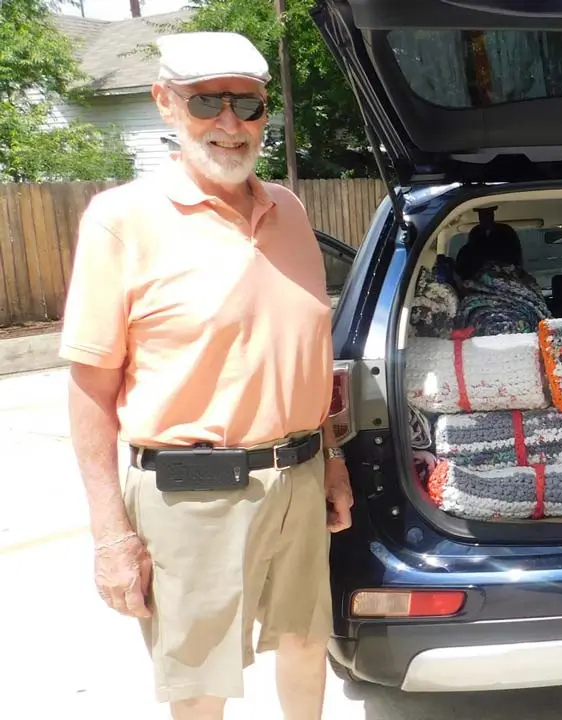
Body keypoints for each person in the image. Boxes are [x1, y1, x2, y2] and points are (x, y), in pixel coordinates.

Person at [60, 32, 353, 720]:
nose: (230, 123)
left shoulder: (290, 210)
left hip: (300, 479)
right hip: (190, 495)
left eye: (246, 105)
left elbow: (299, 355)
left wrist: (330, 459)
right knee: (201, 685)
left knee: (307, 644)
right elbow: (89, 393)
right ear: (166, 104)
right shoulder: (121, 220)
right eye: (207, 102)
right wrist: (110, 535)